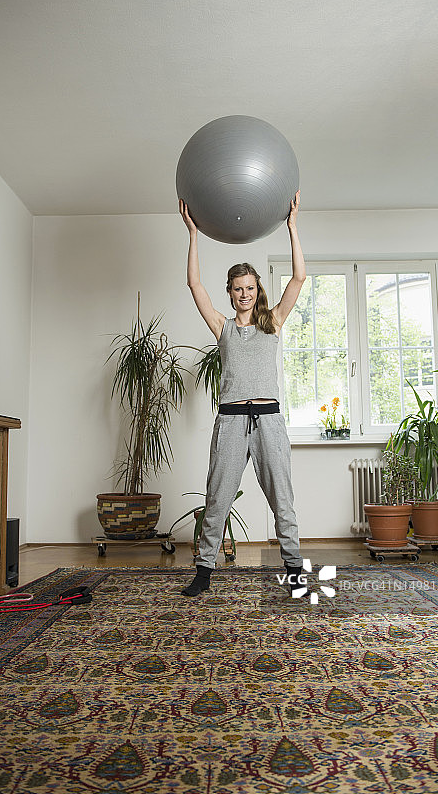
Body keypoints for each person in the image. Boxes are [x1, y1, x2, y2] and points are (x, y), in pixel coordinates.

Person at [179, 191, 306, 597]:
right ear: (231, 292)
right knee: (217, 496)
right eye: (237, 288)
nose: (244, 294)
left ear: (257, 290)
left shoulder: (274, 321)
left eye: (250, 287)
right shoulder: (223, 327)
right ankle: (203, 570)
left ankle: (293, 568)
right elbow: (194, 284)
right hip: (231, 421)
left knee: (281, 498)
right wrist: (193, 234)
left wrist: (292, 226)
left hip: (268, 420)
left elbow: (299, 278)